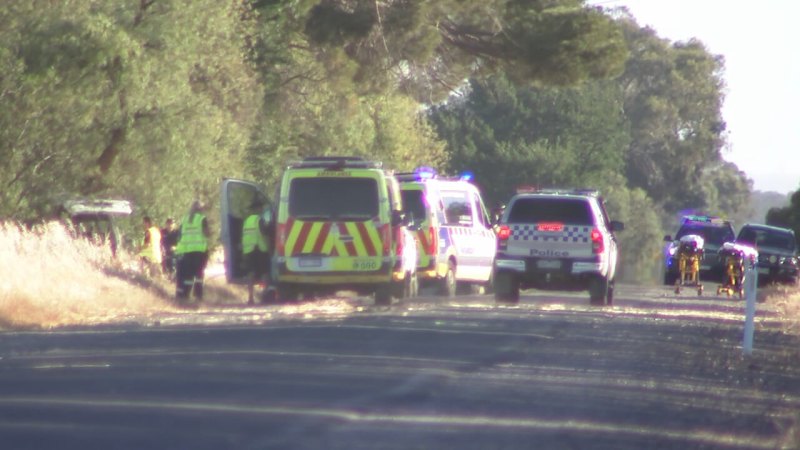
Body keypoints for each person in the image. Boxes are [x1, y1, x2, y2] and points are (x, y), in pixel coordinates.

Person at [175, 201, 210, 303]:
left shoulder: (185, 219)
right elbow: (206, 233)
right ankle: (198, 295)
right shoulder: (202, 219)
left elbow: (180, 234)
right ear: (200, 209)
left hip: (186, 251)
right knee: (199, 274)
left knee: (188, 274)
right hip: (199, 251)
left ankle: (185, 295)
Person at [242, 203, 273, 304]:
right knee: (265, 273)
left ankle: (250, 298)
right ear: (259, 210)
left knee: (250, 274)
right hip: (260, 249)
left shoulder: (247, 221)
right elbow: (266, 232)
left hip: (249, 250)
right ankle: (265, 296)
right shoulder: (259, 220)